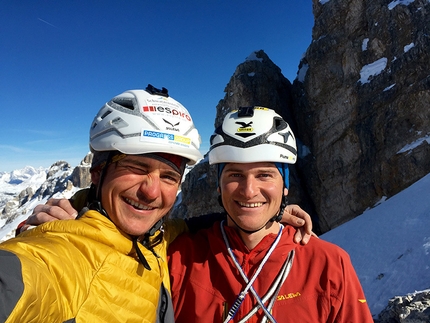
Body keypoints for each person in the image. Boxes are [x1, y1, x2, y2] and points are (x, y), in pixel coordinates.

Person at [2, 87, 312, 323]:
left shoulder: (160, 238)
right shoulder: (61, 253)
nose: (152, 192)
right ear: (97, 173)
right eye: (136, 168)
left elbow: (196, 225)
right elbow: (23, 276)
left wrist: (265, 212)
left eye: (168, 176)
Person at [168, 106, 374, 322]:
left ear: (285, 186)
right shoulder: (179, 259)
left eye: (264, 175)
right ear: (219, 185)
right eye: (235, 174)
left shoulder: (329, 265)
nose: (249, 191)